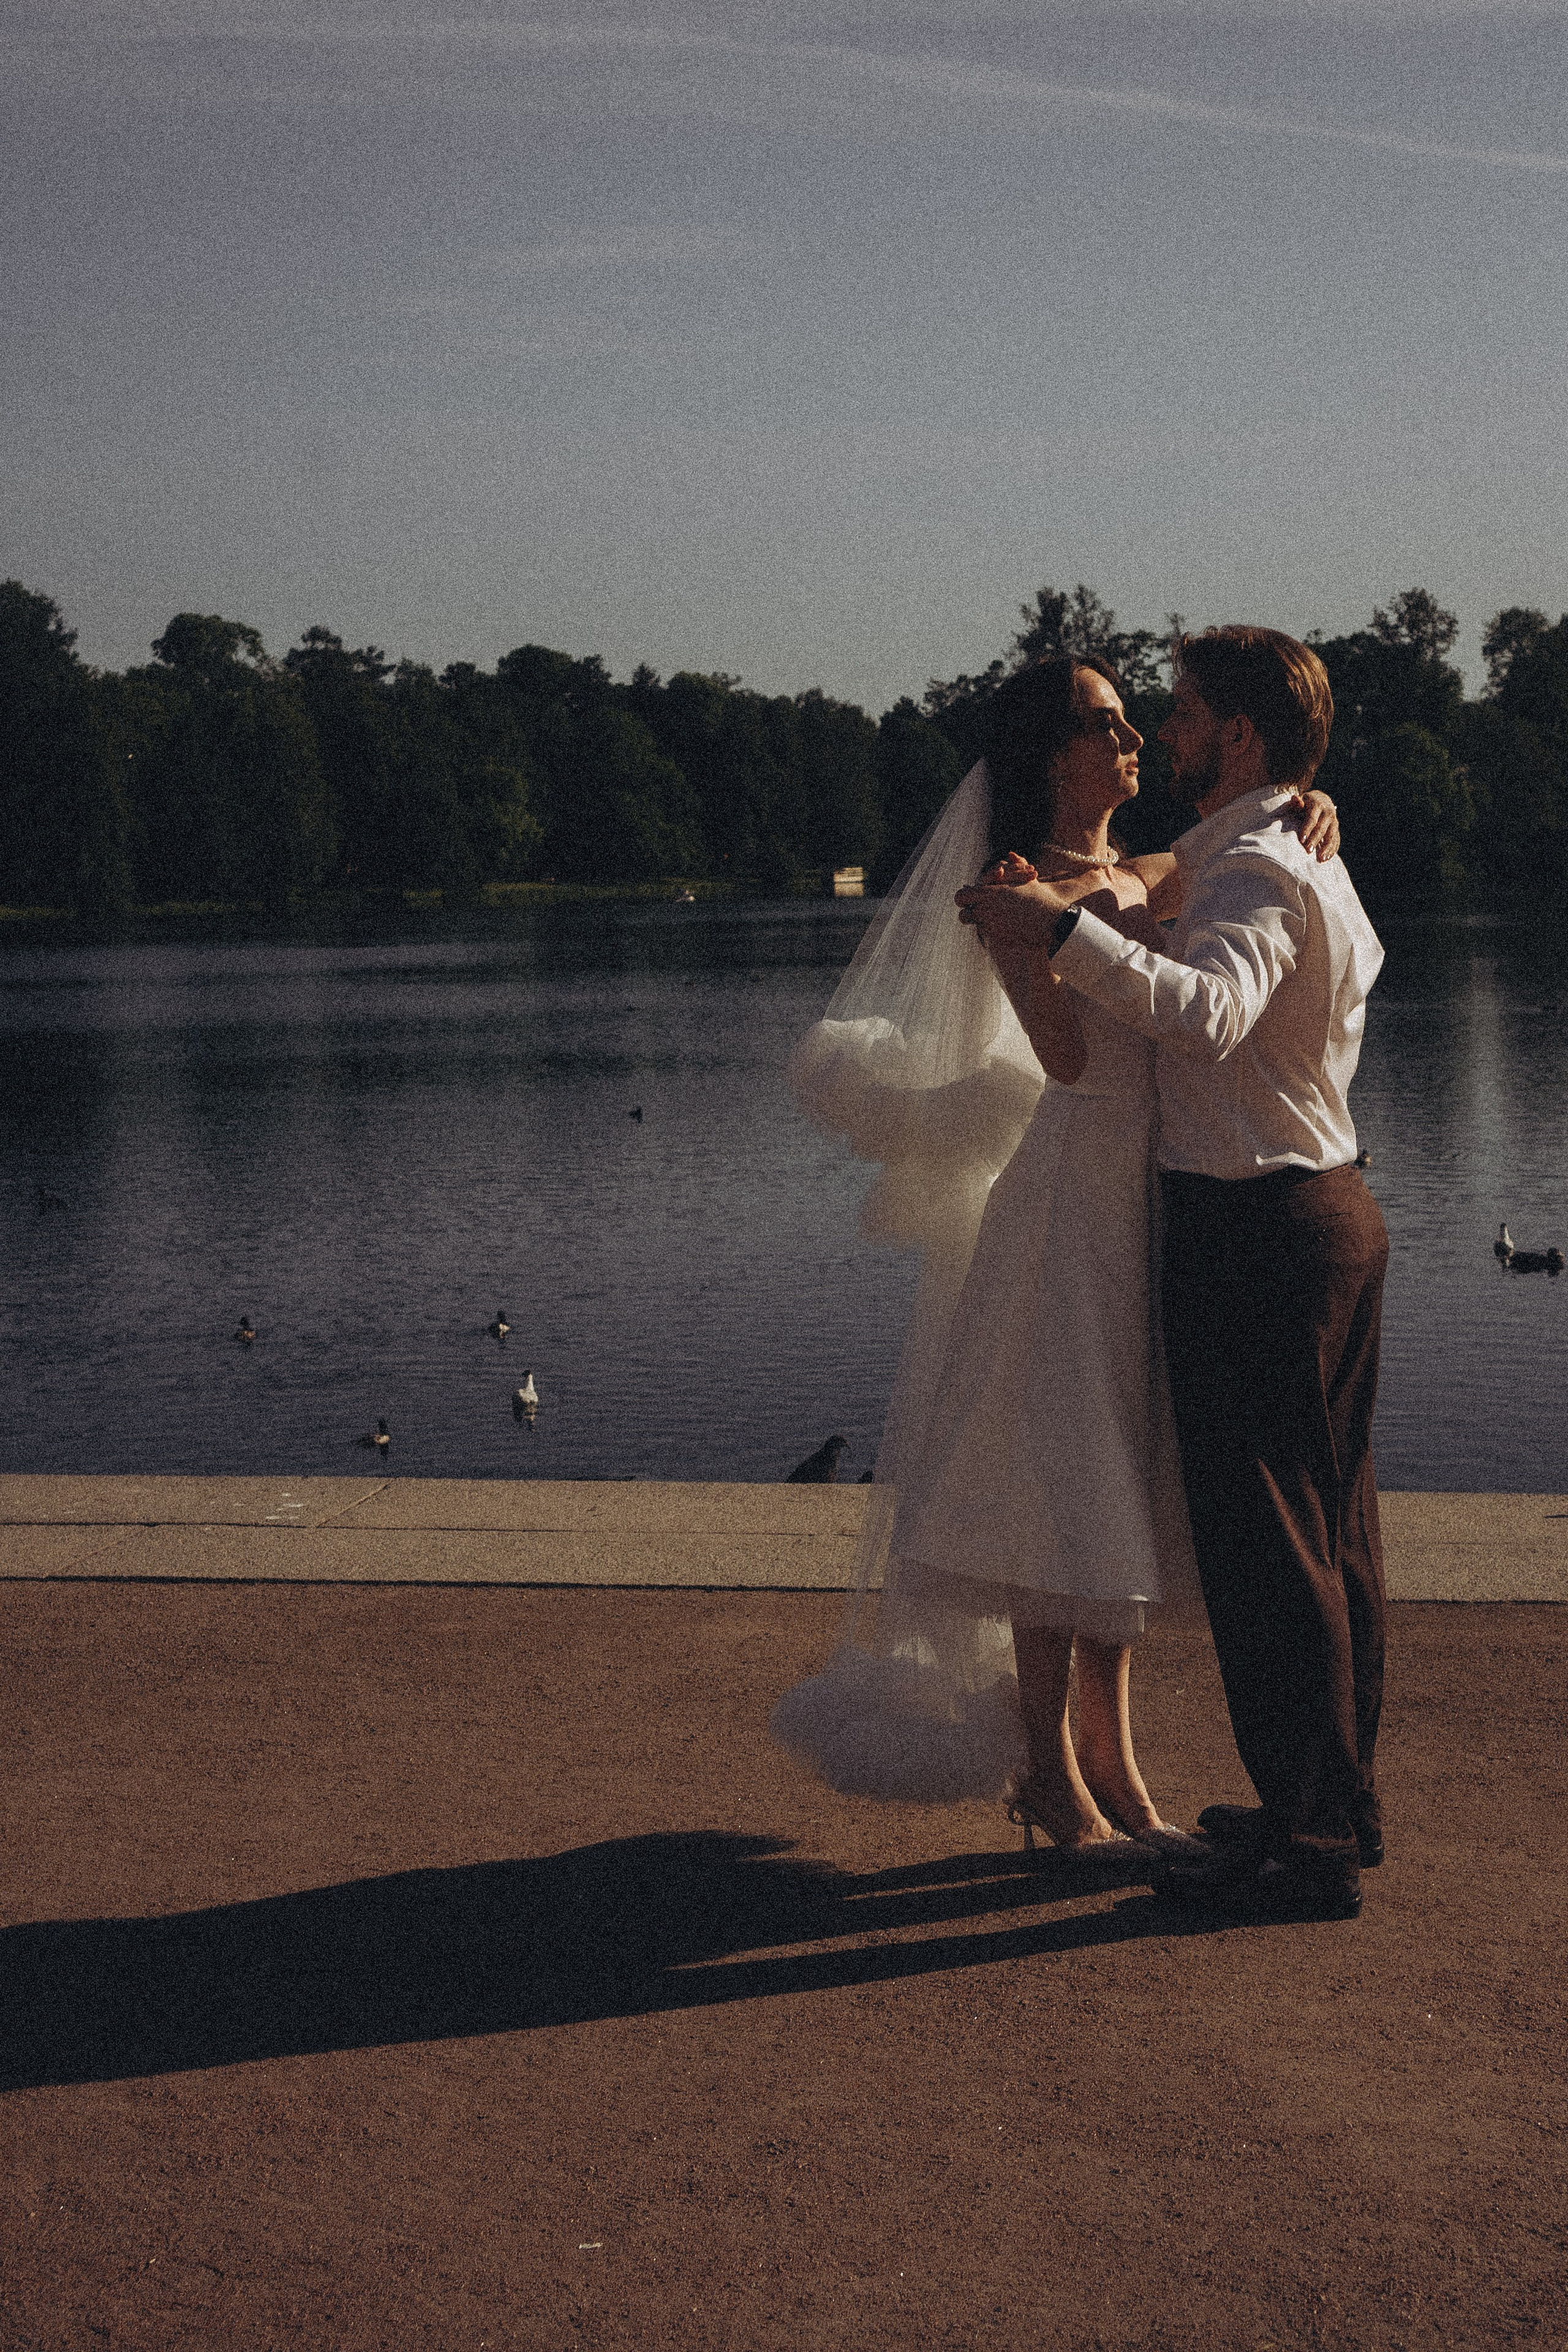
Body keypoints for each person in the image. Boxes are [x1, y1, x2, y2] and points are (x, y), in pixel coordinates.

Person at [772, 653, 1338, 1861]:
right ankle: (1053, 1779)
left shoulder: (1158, 867)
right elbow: (1067, 1061)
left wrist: (1303, 803)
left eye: (1136, 719)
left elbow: (1233, 854)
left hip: (1154, 1201)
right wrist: (1034, 939)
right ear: (1048, 753)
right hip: (1067, 1200)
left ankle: (1115, 1772)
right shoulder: (1003, 889)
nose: (1130, 738)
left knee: (1118, 1488)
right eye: (1102, 724)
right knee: (1052, 1488)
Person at [957, 626, 1385, 1922]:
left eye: (1182, 711)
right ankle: (1315, 1809)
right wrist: (1038, 923)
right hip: (1274, 1208)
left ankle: (1306, 1836)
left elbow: (1205, 1011)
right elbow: (1087, 1032)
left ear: (1238, 739)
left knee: (1277, 1551)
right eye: (1123, 718)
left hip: (1257, 1221)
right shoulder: (1255, 854)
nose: (1156, 730)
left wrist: (1060, 928)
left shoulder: (1255, 862)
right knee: (1319, 1539)